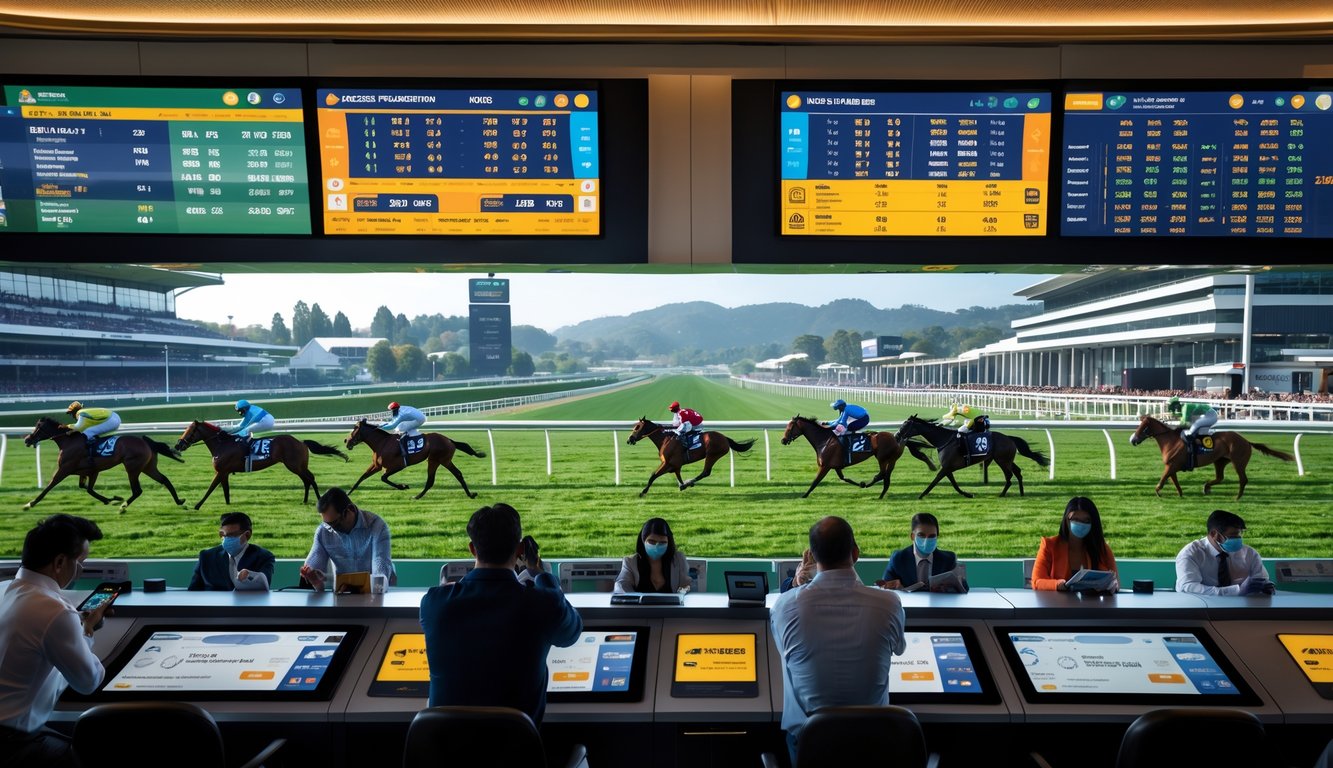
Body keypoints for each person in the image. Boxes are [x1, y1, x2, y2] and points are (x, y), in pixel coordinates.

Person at [419, 503, 582, 726]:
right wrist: (538, 573)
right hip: (515, 749)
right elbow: (571, 632)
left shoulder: (434, 603)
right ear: (520, 550)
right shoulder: (541, 603)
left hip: (443, 750)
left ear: (472, 549)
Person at [771, 516, 906, 764]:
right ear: (855, 553)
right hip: (877, 743)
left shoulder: (785, 606)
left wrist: (800, 585)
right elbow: (899, 648)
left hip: (809, 744)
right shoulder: (889, 604)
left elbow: (785, 650)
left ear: (812, 556)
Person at [0, 515, 110, 768]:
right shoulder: (57, 611)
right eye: (80, 562)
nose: (81, 570)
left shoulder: (4, 589)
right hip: (13, 744)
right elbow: (88, 682)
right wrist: (88, 630)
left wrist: (78, 628)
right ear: (60, 562)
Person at [299, 487, 396, 591]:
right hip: (342, 594)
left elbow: (379, 580)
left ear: (351, 510)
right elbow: (312, 569)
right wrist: (312, 577)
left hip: (380, 597)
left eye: (335, 523)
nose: (332, 529)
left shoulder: (377, 526)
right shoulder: (324, 531)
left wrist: (351, 585)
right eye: (327, 524)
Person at [1175, 509, 1275, 596]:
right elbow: (1188, 587)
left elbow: (1262, 581)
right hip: (1203, 608)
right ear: (1214, 534)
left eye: (1239, 535)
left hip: (1243, 608)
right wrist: (1236, 590)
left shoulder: (1249, 553)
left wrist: (1265, 588)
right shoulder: (1191, 554)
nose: (1238, 539)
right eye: (1233, 535)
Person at [1032, 497, 1119, 592]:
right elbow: (1037, 582)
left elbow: (1115, 582)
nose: (1080, 524)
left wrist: (1111, 586)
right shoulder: (1049, 546)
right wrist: (1059, 585)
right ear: (1066, 520)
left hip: (1093, 605)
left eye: (1086, 521)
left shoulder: (1102, 549)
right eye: (1075, 519)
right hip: (1057, 605)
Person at [877, 512, 968, 593]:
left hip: (939, 609)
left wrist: (953, 586)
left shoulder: (948, 559)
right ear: (912, 536)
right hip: (909, 609)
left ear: (937, 537)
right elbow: (884, 589)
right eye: (921, 535)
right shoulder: (899, 558)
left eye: (932, 536)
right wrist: (896, 587)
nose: (926, 540)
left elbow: (964, 588)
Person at [188, 512, 275, 592]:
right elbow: (192, 593)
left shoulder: (263, 557)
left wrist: (249, 575)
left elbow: (264, 586)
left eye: (231, 535)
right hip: (213, 608)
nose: (225, 539)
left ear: (247, 535)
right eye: (222, 535)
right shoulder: (206, 557)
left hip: (248, 608)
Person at [614, 517, 691, 594]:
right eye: (652, 541)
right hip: (640, 606)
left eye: (662, 543)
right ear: (643, 540)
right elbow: (621, 585)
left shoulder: (678, 559)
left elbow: (685, 585)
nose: (657, 546)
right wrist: (633, 598)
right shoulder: (630, 562)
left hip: (671, 605)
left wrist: (680, 595)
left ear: (668, 543)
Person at [1167, 395, 1218, 469]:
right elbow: (1182, 417)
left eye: (1172, 408)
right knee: (1193, 427)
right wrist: (1173, 415)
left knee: (1191, 430)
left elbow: (1184, 422)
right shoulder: (1183, 408)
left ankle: (1196, 451)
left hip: (1211, 415)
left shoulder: (1185, 407)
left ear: (1175, 406)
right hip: (1208, 415)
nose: (1173, 409)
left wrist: (1172, 427)